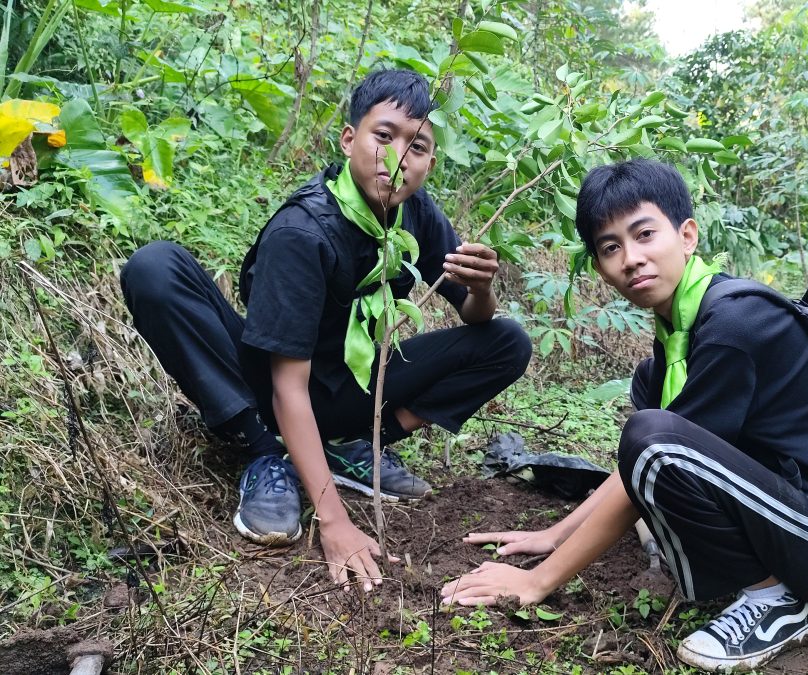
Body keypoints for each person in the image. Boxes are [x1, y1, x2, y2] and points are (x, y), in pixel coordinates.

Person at [441, 159, 808, 672]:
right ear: (599, 266)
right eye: (610, 247)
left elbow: (657, 455)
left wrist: (538, 580)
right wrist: (552, 534)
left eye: (645, 234)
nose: (631, 259)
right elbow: (645, 469)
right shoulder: (682, 327)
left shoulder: (736, 324)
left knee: (651, 435)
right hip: (794, 514)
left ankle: (776, 603)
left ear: (687, 235)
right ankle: (750, 574)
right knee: (651, 390)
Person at [121, 69, 531, 590]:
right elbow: (288, 383)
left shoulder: (414, 212)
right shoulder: (305, 231)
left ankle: (350, 445)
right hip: (268, 380)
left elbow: (475, 319)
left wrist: (481, 290)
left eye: (418, 146)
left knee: (507, 340)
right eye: (384, 136)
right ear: (349, 138)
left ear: (430, 161)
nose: (399, 156)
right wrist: (335, 522)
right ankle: (266, 453)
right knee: (156, 267)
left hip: (348, 386)